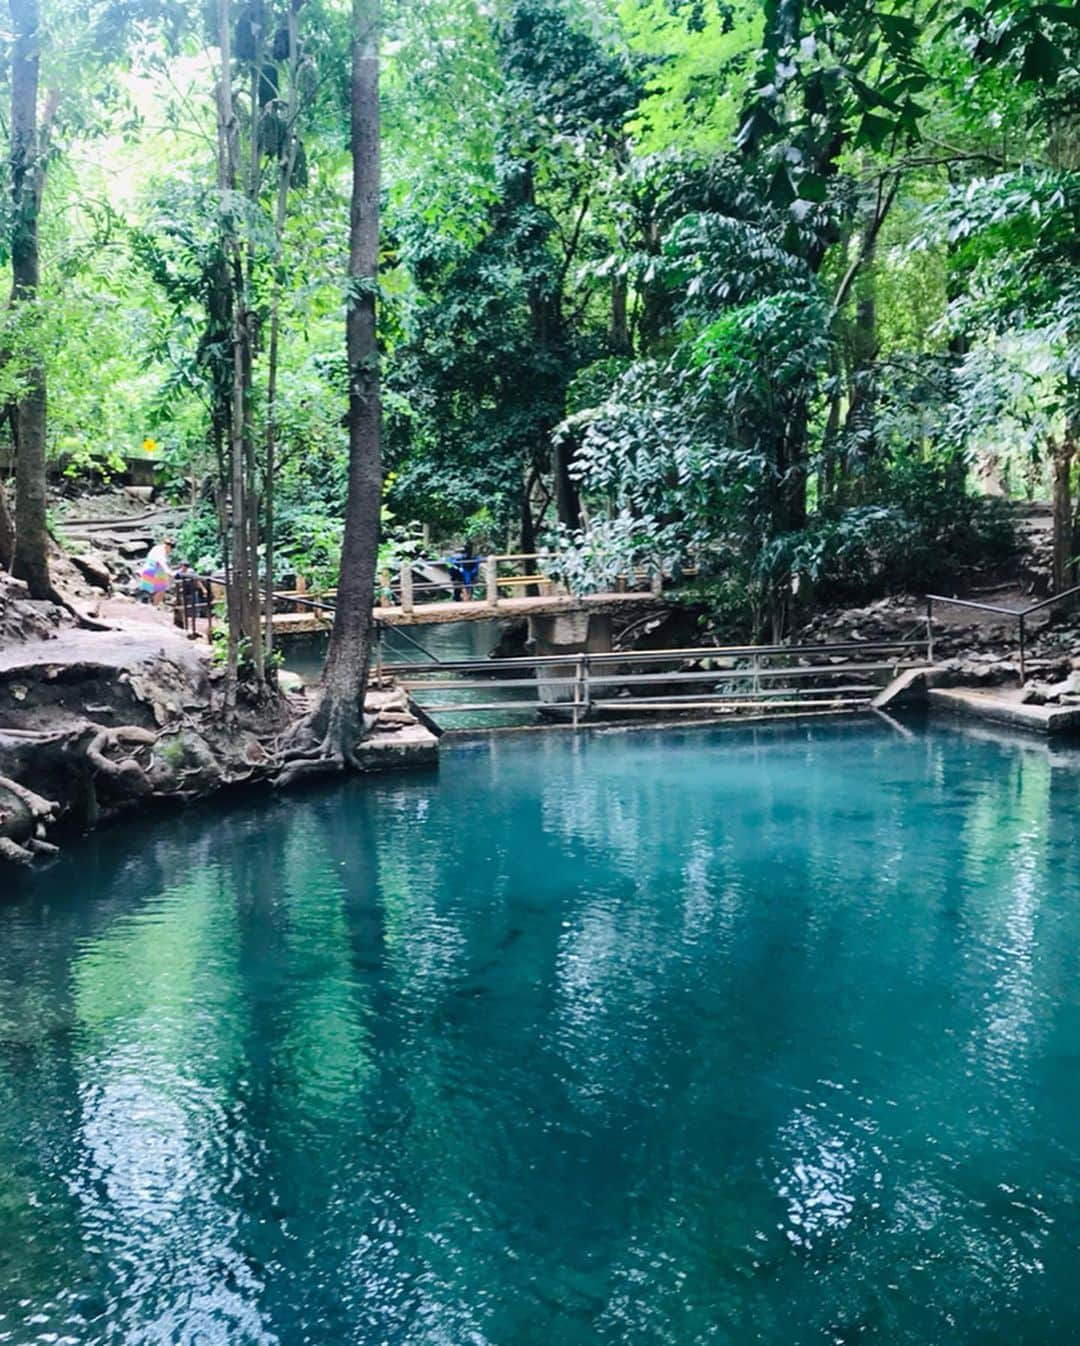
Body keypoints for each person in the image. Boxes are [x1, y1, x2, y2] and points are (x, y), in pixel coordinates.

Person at [137, 537, 174, 605]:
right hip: (151, 572)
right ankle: (154, 606)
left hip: (151, 571)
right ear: (168, 546)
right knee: (161, 589)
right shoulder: (161, 551)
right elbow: (161, 563)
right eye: (171, 547)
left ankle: (153, 605)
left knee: (159, 590)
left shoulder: (158, 548)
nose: (171, 549)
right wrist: (170, 573)